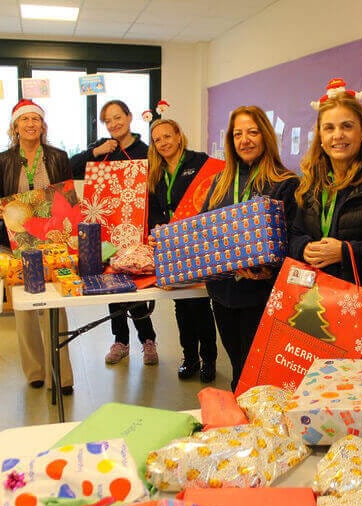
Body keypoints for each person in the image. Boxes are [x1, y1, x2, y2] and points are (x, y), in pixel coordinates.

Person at [289, 80, 362, 349]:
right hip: (314, 301)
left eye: (347, 126)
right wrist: (304, 248)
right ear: (321, 137)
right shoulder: (308, 183)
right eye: (329, 128)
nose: (338, 135)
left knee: (354, 386)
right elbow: (292, 234)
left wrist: (346, 252)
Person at [203, 105, 298, 391]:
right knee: (236, 365)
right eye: (238, 134)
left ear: (266, 136)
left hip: (260, 294)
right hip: (222, 292)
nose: (245, 140)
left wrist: (267, 267)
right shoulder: (220, 182)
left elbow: (293, 241)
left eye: (252, 132)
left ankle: (251, 426)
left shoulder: (285, 183)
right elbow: (204, 229)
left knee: (254, 373)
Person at [0, 99, 75, 394]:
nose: (31, 124)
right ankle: (35, 371)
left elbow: (67, 196)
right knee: (24, 308)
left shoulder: (58, 156)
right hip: (16, 240)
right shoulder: (3, 160)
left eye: (36, 119)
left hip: (52, 239)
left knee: (55, 304)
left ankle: (61, 375)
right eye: (24, 120)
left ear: (43, 125)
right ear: (15, 126)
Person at [71, 100, 158, 365]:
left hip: (136, 228)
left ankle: (148, 340)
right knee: (112, 286)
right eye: (108, 121)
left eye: (118, 117)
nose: (114, 124)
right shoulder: (102, 149)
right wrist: (96, 152)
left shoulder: (145, 150)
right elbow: (71, 166)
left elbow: (153, 188)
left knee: (136, 288)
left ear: (130, 117)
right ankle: (120, 340)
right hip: (107, 230)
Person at [147, 118, 218, 382]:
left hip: (197, 244)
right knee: (180, 306)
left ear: (178, 136)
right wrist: (155, 229)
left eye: (167, 136)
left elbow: (213, 197)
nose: (163, 143)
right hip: (171, 245)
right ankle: (189, 357)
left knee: (200, 303)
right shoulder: (155, 171)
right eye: (157, 140)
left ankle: (208, 359)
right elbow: (153, 206)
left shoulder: (200, 162)